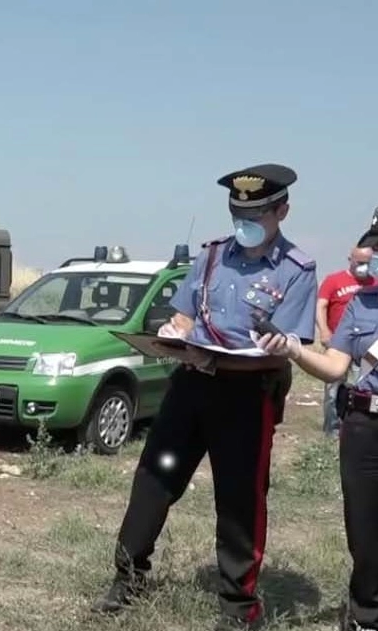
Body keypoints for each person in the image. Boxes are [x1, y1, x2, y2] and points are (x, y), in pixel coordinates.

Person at [91, 163, 318, 630]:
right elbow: (186, 317)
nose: (243, 221)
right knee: (155, 477)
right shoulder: (212, 256)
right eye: (237, 211)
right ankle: (127, 578)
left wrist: (231, 356)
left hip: (247, 397)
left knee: (239, 498)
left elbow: (283, 351)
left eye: (255, 213)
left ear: (282, 211)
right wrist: (176, 331)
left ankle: (238, 608)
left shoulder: (297, 271)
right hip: (191, 387)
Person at [256, 285, 378, 631]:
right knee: (365, 530)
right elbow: (335, 367)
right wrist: (294, 349)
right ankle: (365, 616)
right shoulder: (363, 304)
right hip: (365, 427)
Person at [317, 246, 375, 436]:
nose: (363, 267)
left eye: (367, 263)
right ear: (350, 259)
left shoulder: (373, 283)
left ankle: (354, 426)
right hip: (338, 343)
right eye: (359, 262)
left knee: (363, 386)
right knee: (334, 386)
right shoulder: (334, 280)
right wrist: (324, 331)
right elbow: (321, 306)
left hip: (364, 347)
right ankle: (332, 430)